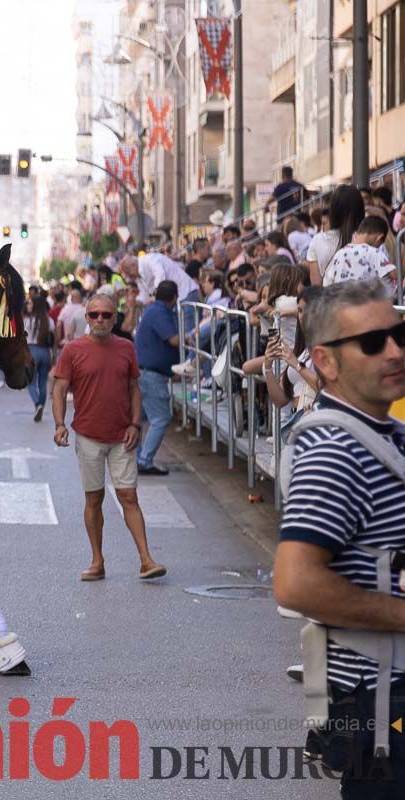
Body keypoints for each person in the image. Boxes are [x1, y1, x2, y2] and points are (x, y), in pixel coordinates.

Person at [272, 280, 405, 795]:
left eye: (399, 335)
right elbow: (296, 584)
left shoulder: (386, 431)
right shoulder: (334, 451)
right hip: (384, 706)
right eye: (372, 343)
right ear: (325, 362)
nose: (394, 350)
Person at [52, 292, 166, 582]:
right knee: (94, 499)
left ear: (115, 318)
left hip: (121, 436)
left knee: (129, 496)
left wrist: (135, 425)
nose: (100, 319)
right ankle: (97, 561)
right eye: (94, 315)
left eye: (106, 315)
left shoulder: (127, 348)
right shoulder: (73, 350)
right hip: (88, 435)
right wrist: (59, 424)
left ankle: (146, 560)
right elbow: (59, 388)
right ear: (87, 318)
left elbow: (133, 388)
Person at [133, 280, 181, 476]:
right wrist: (190, 336)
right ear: (174, 298)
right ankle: (144, 460)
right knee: (160, 418)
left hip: (144, 373)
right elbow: (173, 339)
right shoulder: (159, 312)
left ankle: (136, 457)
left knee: (140, 418)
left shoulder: (154, 310)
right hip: (151, 375)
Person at [305, 184, 364, 287]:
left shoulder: (318, 240)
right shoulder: (367, 238)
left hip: (331, 299)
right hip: (363, 299)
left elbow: (316, 285)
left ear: (332, 210)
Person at [324, 215, 394, 288]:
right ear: (379, 237)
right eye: (379, 245)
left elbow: (327, 282)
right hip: (366, 298)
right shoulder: (375, 253)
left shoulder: (339, 254)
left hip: (341, 298)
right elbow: (394, 274)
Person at [25, 295, 54, 421]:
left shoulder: (28, 320)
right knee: (43, 382)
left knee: (30, 382)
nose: (28, 305)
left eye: (30, 303)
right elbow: (54, 337)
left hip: (32, 351)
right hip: (45, 351)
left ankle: (38, 404)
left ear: (35, 305)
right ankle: (41, 405)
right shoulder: (49, 320)